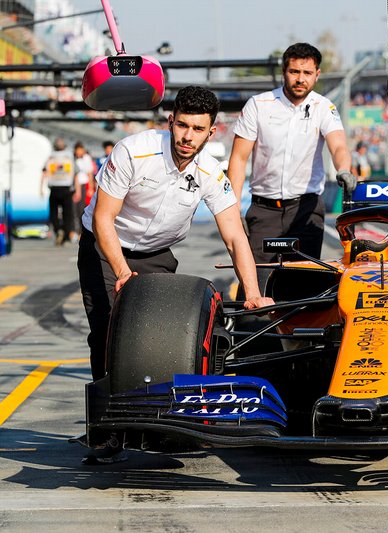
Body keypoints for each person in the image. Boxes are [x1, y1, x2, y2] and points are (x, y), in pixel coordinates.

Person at [78, 85, 273, 385]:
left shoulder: (210, 172)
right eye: (182, 125)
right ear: (170, 121)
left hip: (156, 254)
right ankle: (103, 426)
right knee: (108, 330)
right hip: (106, 248)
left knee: (158, 337)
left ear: (210, 133)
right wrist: (122, 271)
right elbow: (104, 218)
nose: (187, 136)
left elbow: (235, 236)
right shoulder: (132, 151)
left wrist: (253, 293)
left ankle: (151, 413)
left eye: (198, 129)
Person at [228, 42, 355, 262]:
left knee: (303, 284)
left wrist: (344, 169)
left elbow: (339, 146)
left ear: (317, 74)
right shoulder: (258, 105)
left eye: (307, 73)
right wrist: (233, 208)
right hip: (264, 210)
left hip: (307, 209)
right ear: (284, 72)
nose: (300, 79)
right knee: (259, 282)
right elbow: (238, 159)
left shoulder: (324, 107)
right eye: (294, 71)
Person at [41, 138, 78, 246]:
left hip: (54, 188)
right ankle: (66, 235)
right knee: (68, 214)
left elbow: (44, 172)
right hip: (67, 188)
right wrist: (77, 189)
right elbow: (76, 173)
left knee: (54, 212)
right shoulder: (69, 156)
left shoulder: (51, 156)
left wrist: (41, 187)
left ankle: (58, 229)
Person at [73, 141, 97, 240]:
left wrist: (90, 188)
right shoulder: (73, 158)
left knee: (83, 209)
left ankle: (83, 231)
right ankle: (76, 231)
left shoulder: (86, 158)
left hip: (84, 186)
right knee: (75, 210)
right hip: (74, 186)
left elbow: (90, 173)